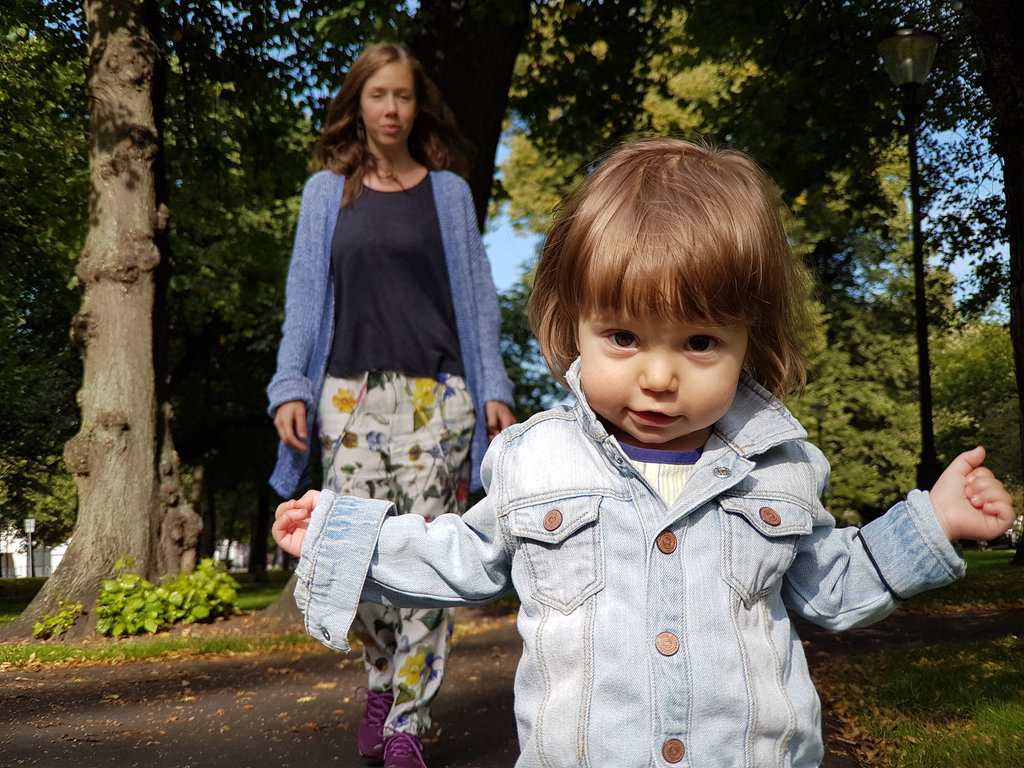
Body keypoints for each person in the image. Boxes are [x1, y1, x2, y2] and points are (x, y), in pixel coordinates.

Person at [272, 137, 1014, 768]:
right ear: (575, 323)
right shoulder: (537, 460)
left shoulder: (781, 466)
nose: (658, 377)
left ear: (748, 338)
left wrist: (932, 521)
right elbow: (459, 553)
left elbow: (834, 585)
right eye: (624, 337)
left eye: (699, 342)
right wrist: (340, 538)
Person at [266, 42, 516, 768]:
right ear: (358, 104)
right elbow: (304, 302)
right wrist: (290, 384)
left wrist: (493, 386)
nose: (391, 109)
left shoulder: (448, 194)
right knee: (359, 556)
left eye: (403, 96)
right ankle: (380, 679)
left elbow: (478, 304)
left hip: (439, 399)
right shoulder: (326, 193)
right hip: (348, 397)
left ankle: (409, 719)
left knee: (432, 561)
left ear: (418, 107)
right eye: (378, 95)